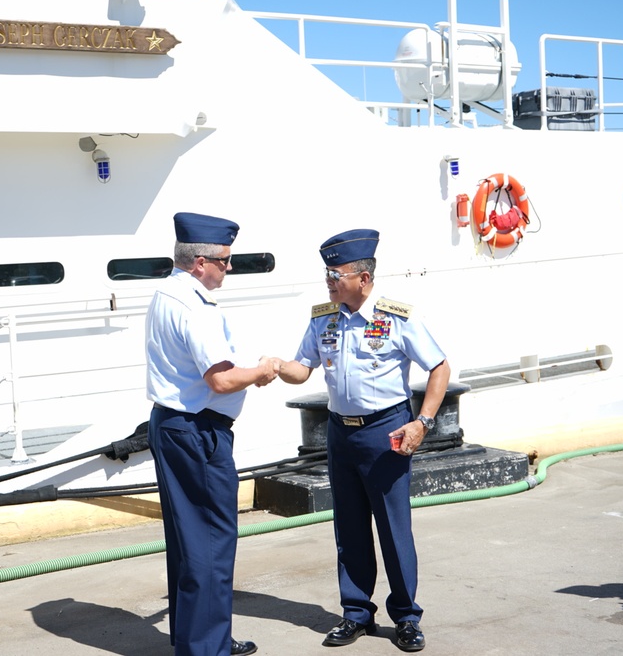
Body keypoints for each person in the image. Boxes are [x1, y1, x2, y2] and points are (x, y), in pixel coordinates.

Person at [277, 229, 450, 653]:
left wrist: (422, 422)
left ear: (363, 278)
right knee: (349, 527)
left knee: (393, 529)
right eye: (327, 274)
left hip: (385, 431)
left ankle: (406, 616)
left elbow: (440, 368)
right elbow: (303, 368)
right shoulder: (323, 317)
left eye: (335, 274)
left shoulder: (397, 317)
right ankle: (356, 613)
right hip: (340, 433)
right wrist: (274, 367)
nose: (329, 281)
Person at [146, 211, 279, 656]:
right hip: (198, 432)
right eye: (225, 260)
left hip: (172, 426)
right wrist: (260, 371)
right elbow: (219, 381)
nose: (229, 267)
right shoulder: (194, 305)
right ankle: (207, 649)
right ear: (200, 261)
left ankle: (200, 640)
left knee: (187, 543)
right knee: (211, 542)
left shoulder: (165, 292)